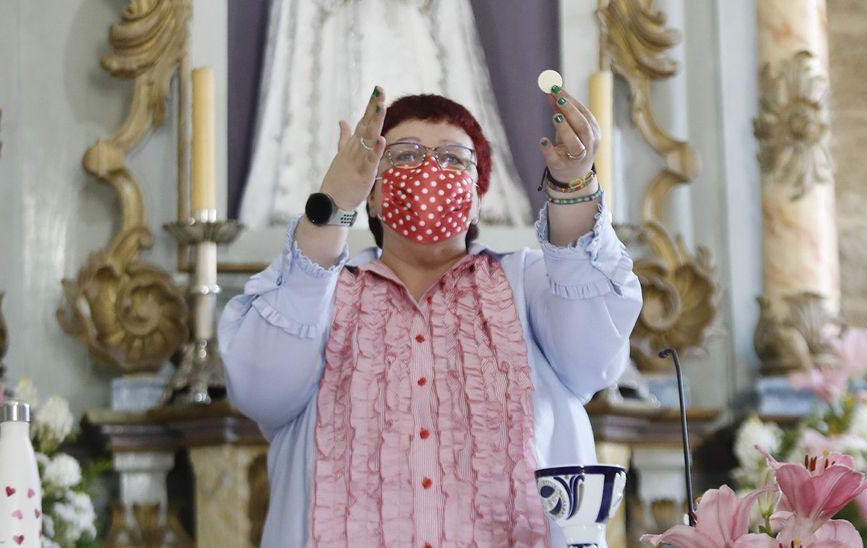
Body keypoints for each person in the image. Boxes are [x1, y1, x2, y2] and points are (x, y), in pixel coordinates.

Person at [219, 84, 642, 547]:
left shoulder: (529, 284)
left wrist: (574, 183)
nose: (429, 170)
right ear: (373, 197)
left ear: (478, 197)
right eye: (404, 157)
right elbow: (262, 391)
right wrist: (334, 202)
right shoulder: (315, 288)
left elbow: (593, 359)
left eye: (455, 160)